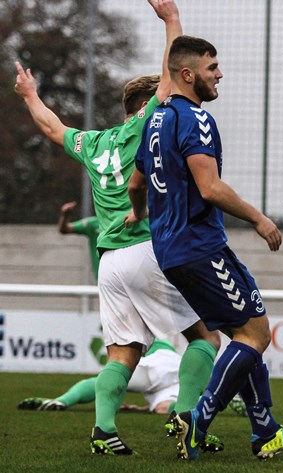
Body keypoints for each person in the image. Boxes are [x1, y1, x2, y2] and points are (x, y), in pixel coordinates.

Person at [13, 0, 221, 456]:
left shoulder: (94, 143)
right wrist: (172, 21)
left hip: (109, 263)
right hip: (149, 248)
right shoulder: (145, 126)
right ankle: (186, 418)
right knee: (207, 336)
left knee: (122, 356)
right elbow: (173, 75)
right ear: (144, 106)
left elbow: (52, 127)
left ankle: (104, 430)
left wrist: (29, 94)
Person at [128, 35, 283, 461]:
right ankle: (199, 418)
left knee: (239, 333)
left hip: (171, 250)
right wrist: (258, 218)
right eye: (212, 68)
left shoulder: (155, 120)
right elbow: (209, 187)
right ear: (187, 74)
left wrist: (140, 215)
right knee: (255, 332)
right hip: (200, 245)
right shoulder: (195, 118)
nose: (219, 75)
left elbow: (135, 184)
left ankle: (265, 430)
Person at [16, 339, 247, 419]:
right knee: (166, 408)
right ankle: (214, 399)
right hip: (172, 374)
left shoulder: (139, 323)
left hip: (158, 364)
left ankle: (62, 401)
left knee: (107, 381)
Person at [57, 201, 100, 282]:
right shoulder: (92, 224)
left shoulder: (126, 220)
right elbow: (64, 229)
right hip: (102, 278)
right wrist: (65, 216)